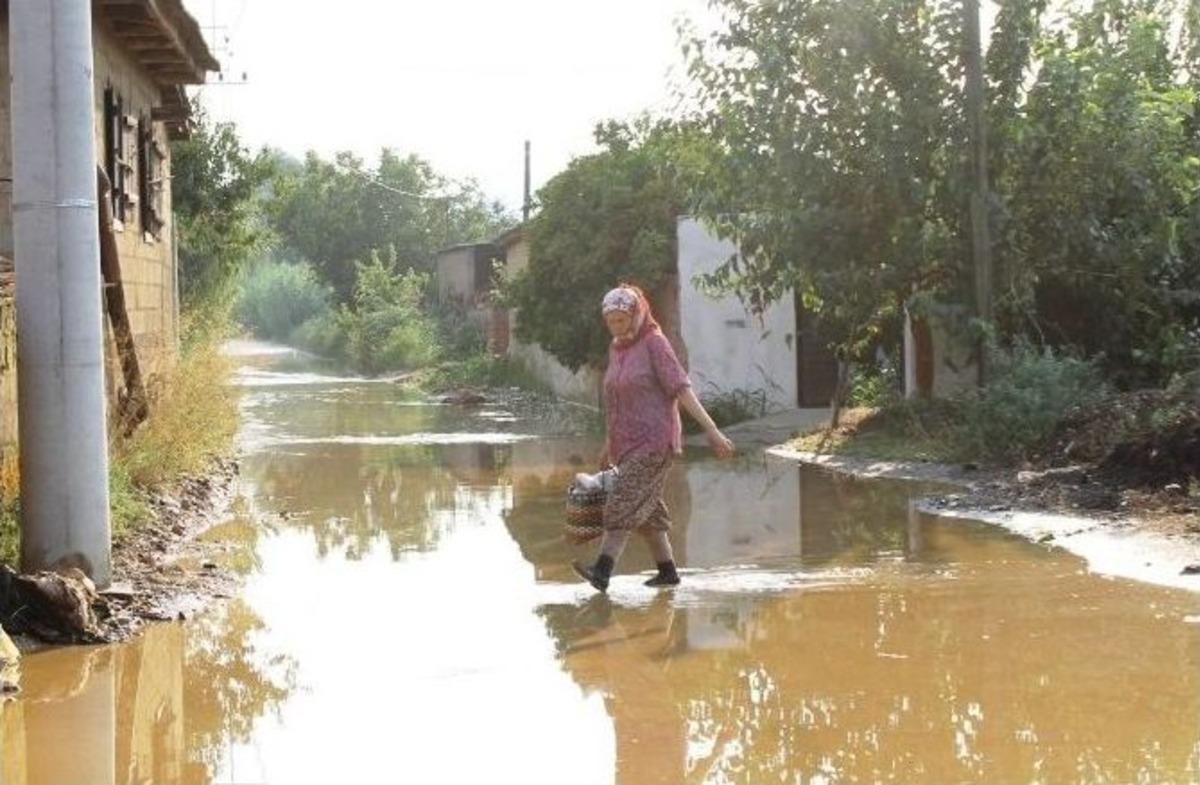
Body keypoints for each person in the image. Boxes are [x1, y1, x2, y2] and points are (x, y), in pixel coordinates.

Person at [573, 284, 735, 593]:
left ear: (636, 315)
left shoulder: (654, 344)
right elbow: (617, 400)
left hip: (654, 442)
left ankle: (602, 571)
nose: (617, 328)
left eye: (622, 320)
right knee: (647, 512)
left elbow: (680, 388)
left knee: (621, 502)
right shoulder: (617, 349)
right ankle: (668, 572)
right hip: (626, 444)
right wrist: (609, 443)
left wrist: (712, 430)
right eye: (611, 322)